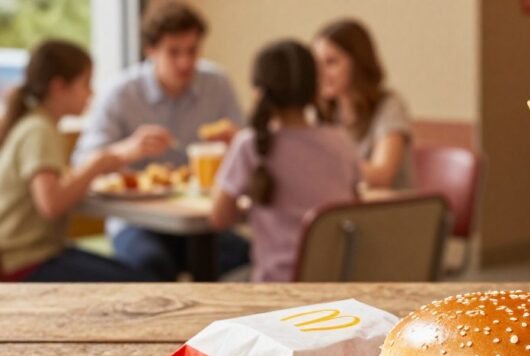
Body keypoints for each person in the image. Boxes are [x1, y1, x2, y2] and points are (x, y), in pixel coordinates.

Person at [73, 1, 249, 281]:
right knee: (152, 267)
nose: (185, 62)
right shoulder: (121, 93)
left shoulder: (217, 84)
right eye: (174, 52)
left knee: (246, 259)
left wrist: (238, 142)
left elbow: (250, 152)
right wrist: (126, 151)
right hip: (136, 222)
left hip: (200, 221)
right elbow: (82, 163)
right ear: (151, 51)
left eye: (192, 51)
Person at [0, 41, 166, 282]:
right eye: (86, 84)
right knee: (144, 284)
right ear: (58, 87)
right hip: (26, 263)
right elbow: (51, 204)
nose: (92, 93)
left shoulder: (35, 124)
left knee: (144, 273)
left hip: (33, 256)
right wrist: (96, 165)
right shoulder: (39, 130)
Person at [210, 40, 361, 282]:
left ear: (258, 92)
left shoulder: (249, 144)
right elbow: (354, 207)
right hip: (334, 283)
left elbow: (219, 217)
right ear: (315, 87)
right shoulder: (341, 141)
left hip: (275, 285)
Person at [313, 20, 414, 190]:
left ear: (357, 64)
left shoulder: (389, 105)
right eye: (317, 64)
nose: (321, 73)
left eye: (331, 62)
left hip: (391, 211)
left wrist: (323, 164)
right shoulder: (326, 112)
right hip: (349, 211)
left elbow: (382, 176)